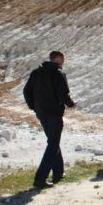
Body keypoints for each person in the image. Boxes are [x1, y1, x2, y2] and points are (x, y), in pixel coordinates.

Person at [23, 50, 77, 189]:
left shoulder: (36, 73)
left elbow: (26, 91)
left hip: (41, 113)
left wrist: (33, 107)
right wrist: (70, 104)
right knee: (53, 144)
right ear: (57, 59)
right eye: (62, 59)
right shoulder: (58, 73)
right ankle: (40, 178)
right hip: (54, 113)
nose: (63, 63)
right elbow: (63, 93)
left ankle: (58, 172)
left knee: (52, 141)